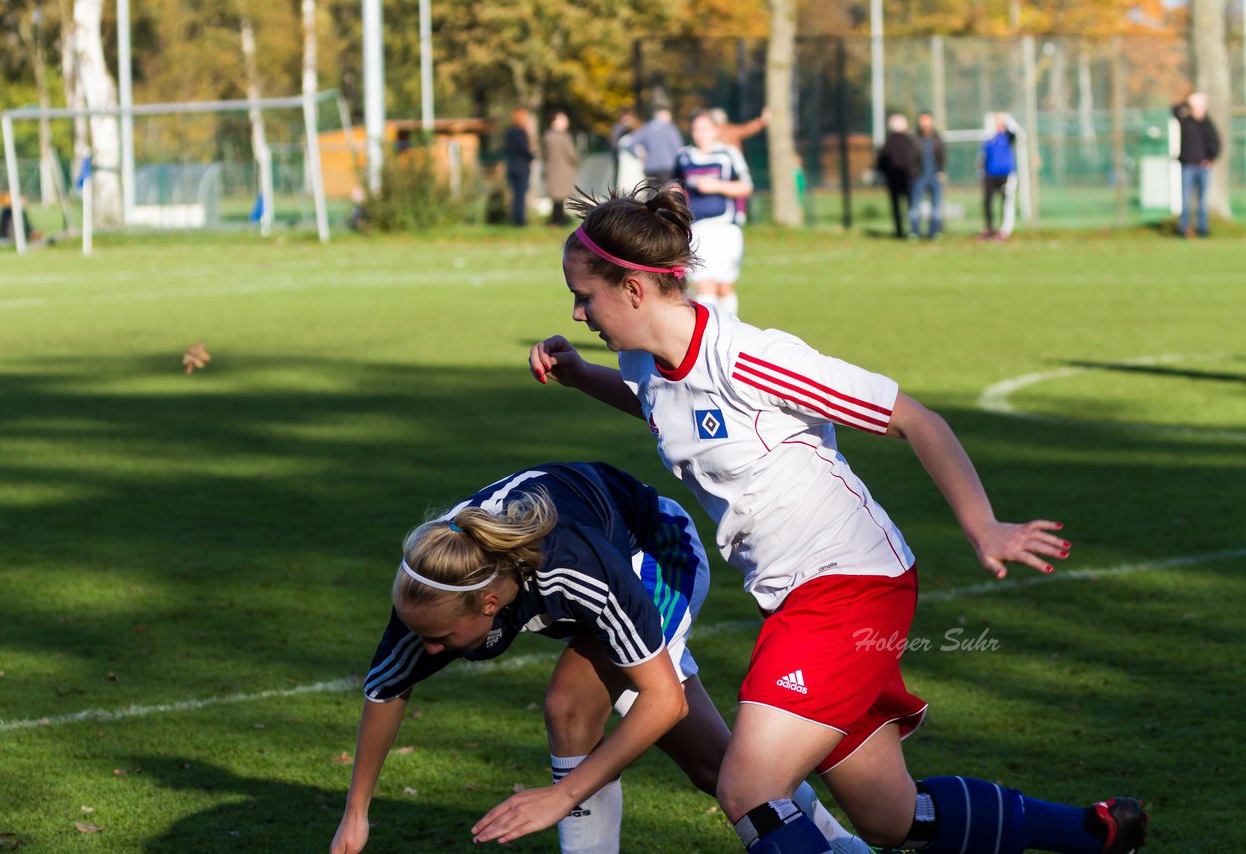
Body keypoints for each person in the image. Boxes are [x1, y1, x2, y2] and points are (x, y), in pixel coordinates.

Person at [527, 184, 1150, 854]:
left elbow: (916, 419)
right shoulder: (642, 361)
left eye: (584, 295)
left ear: (635, 291)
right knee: (891, 818)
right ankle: (1094, 832)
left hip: (849, 587)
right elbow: (661, 410)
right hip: (799, 597)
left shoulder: (751, 358)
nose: (576, 310)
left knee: (748, 791)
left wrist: (984, 526)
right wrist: (579, 374)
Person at [328, 462, 867, 854]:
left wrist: (563, 795)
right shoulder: (434, 588)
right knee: (713, 767)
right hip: (592, 579)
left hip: (655, 555)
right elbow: (386, 689)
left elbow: (665, 701)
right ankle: (839, 843)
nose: (430, 650)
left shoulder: (572, 567)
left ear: (490, 602)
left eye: (442, 639)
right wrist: (356, 816)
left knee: (570, 703)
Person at [673, 111, 752, 318]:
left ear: (715, 131)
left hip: (726, 228)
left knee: (724, 286)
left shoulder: (728, 155)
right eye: (696, 129)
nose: (700, 134)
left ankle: (731, 330)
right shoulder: (684, 156)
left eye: (705, 129)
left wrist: (717, 185)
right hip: (698, 229)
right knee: (704, 285)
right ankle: (708, 336)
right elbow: (673, 186)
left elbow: (746, 187)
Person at [1171, 91, 1219, 238]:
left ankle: (1202, 228)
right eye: (1195, 107)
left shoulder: (1208, 124)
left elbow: (1216, 144)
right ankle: (1184, 228)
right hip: (1187, 166)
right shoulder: (1186, 121)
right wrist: (1188, 101)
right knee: (1185, 198)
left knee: (1202, 200)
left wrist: (1210, 159)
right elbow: (1174, 110)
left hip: (1203, 167)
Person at [875, 115, 916, 239]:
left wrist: (886, 175)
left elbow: (880, 163)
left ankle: (899, 231)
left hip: (893, 181)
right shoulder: (910, 141)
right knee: (911, 205)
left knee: (896, 207)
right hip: (908, 180)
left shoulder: (888, 143)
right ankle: (913, 230)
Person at [980, 112, 1018, 241]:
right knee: (987, 202)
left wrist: (1006, 119)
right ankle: (989, 229)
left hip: (1006, 174)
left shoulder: (1008, 136)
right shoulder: (990, 138)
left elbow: (1014, 133)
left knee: (1006, 202)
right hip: (990, 174)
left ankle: (1005, 230)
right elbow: (983, 156)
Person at [910, 112, 946, 240]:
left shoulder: (937, 138)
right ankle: (914, 232)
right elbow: (911, 158)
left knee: (936, 206)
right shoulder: (914, 138)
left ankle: (935, 232)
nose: (925, 123)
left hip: (934, 174)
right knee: (915, 205)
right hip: (919, 175)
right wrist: (913, 173)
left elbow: (942, 155)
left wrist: (941, 170)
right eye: (923, 120)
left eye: (927, 120)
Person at [626, 108, 684, 186]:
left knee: (652, 194)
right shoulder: (670, 128)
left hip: (650, 167)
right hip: (668, 167)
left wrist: (639, 156)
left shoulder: (646, 128)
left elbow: (629, 144)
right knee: (668, 194)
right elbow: (677, 147)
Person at [543, 111, 580, 227]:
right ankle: (558, 220)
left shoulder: (547, 136)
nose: (566, 122)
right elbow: (572, 155)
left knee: (556, 197)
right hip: (564, 170)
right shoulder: (564, 137)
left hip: (552, 169)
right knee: (560, 196)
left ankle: (556, 219)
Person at [504, 107, 536, 227]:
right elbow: (523, 149)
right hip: (521, 167)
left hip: (512, 166)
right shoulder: (520, 132)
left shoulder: (509, 132)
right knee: (521, 194)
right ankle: (520, 221)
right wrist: (532, 156)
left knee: (515, 195)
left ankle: (514, 219)